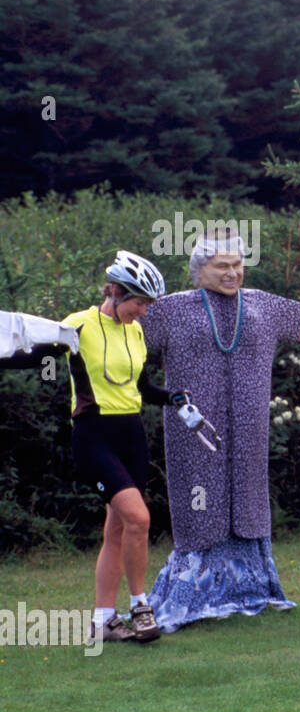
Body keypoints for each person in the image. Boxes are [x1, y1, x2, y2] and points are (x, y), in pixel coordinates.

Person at [139, 232, 300, 632]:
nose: (233, 272)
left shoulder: (263, 304)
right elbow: (114, 329)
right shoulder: (171, 310)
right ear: (198, 272)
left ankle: (252, 587)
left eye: (237, 265)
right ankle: (196, 589)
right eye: (222, 266)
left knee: (247, 498)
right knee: (198, 500)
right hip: (194, 430)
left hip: (249, 430)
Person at [1, 251, 178, 643]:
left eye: (147, 304)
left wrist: (172, 399)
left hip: (132, 436)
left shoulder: (134, 331)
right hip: (94, 436)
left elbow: (141, 388)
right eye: (138, 303)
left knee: (116, 529)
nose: (143, 312)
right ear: (115, 292)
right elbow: (34, 356)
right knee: (139, 519)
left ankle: (102, 622)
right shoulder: (79, 325)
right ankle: (140, 606)